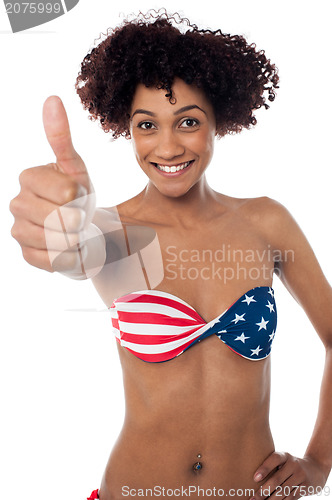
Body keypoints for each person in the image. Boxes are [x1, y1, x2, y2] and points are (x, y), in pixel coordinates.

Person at [9, 9, 332, 500]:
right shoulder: (110, 232)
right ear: (127, 128)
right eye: (146, 125)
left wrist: (320, 462)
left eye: (187, 122)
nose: (167, 146)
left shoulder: (267, 222)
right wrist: (59, 230)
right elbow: (74, 252)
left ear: (218, 120)